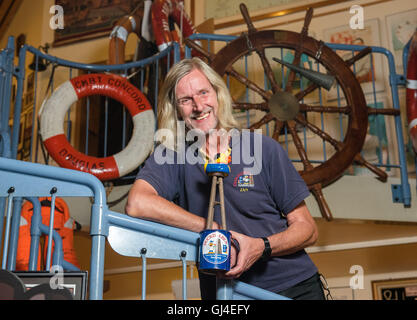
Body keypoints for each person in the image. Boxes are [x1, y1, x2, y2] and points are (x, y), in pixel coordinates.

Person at [125, 57, 325, 300]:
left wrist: (261, 247)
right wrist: (211, 230)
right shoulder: (171, 155)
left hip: (294, 287)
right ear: (175, 109)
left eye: (203, 92)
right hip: (224, 294)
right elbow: (137, 204)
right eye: (186, 100)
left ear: (218, 94)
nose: (199, 106)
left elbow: (308, 230)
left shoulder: (262, 148)